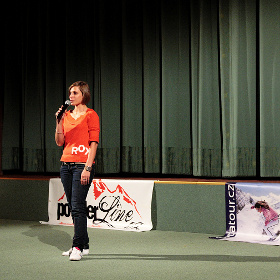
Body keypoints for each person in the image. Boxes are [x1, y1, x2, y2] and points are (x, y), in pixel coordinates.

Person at [55, 81, 100, 261]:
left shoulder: (91, 115)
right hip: (66, 165)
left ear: (84, 95)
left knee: (78, 206)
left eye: (74, 93)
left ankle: (77, 246)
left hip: (83, 165)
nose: (71, 96)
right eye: (70, 93)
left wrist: (88, 167)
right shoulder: (65, 115)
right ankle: (85, 244)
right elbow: (60, 142)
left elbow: (94, 143)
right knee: (74, 207)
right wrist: (58, 122)